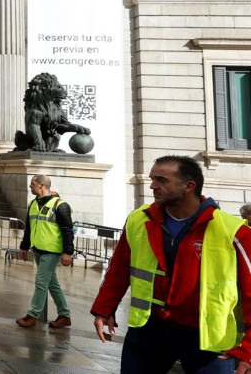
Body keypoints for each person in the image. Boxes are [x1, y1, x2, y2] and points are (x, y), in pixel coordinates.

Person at [91, 155, 251, 374]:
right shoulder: (139, 220)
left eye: (162, 180)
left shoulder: (233, 231)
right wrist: (104, 308)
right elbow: (118, 269)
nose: (152, 185)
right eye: (152, 178)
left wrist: (247, 352)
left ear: (189, 186)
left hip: (207, 339)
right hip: (149, 329)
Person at [16, 174, 74, 329]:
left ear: (41, 185)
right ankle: (64, 315)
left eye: (32, 184)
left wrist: (68, 252)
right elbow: (29, 228)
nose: (30, 187)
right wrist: (24, 246)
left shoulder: (60, 205)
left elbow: (68, 230)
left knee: (41, 282)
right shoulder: (33, 204)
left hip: (52, 251)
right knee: (52, 284)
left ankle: (32, 315)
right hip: (38, 250)